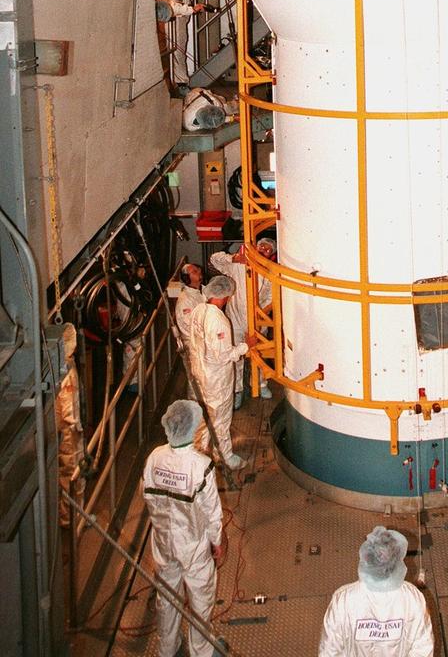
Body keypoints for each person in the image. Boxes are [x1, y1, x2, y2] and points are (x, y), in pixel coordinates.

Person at [143, 400, 226, 657]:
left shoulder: (154, 457)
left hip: (162, 543)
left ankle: (167, 648)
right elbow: (212, 512)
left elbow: (146, 494)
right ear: (193, 427)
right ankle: (201, 650)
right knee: (201, 599)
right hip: (192, 545)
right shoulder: (201, 466)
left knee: (167, 599)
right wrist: (217, 541)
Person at [319, 526, 434, 657]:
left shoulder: (343, 600)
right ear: (398, 559)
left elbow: (329, 650)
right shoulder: (412, 598)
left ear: (365, 558)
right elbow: (423, 648)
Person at [189, 275, 256, 469]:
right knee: (221, 419)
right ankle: (225, 457)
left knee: (205, 417)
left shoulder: (198, 310)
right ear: (225, 296)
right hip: (216, 380)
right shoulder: (218, 320)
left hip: (200, 373)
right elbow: (224, 356)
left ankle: (198, 451)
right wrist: (246, 345)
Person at [209, 240, 275, 407]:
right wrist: (234, 258)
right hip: (235, 320)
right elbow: (214, 259)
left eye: (268, 250)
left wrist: (260, 314)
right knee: (236, 356)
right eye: (261, 246)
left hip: (258, 320)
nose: (264, 250)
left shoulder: (269, 272)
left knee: (258, 353)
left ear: (271, 255)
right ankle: (237, 390)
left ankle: (260, 384)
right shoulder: (237, 265)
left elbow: (271, 297)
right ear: (255, 247)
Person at [56, 324, 85, 527]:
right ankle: (70, 518)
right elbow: (69, 406)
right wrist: (76, 426)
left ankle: (73, 515)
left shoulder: (65, 364)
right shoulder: (65, 370)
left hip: (68, 429)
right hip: (69, 432)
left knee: (71, 472)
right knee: (71, 473)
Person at [160, 0, 204, 89]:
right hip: (163, 31)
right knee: (164, 57)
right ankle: (166, 83)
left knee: (179, 55)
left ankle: (181, 82)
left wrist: (180, 19)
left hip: (179, 30)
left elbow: (187, 12)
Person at [175, 263, 204, 345]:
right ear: (187, 278)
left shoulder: (203, 290)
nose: (199, 272)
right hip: (194, 343)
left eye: (198, 269)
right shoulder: (185, 300)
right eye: (195, 271)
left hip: (203, 338)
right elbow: (189, 324)